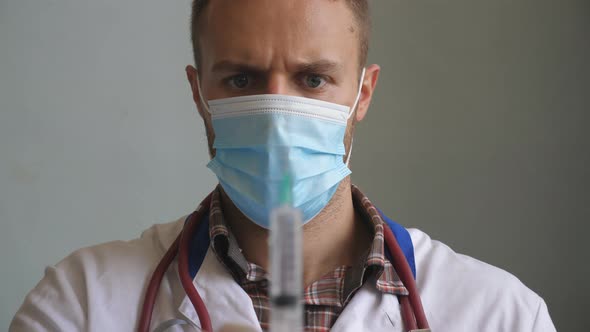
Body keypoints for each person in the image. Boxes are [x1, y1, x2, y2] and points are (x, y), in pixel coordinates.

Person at [10, 0, 556, 331]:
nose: (275, 117)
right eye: (242, 80)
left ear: (362, 94)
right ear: (199, 93)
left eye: (312, 79)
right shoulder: (79, 304)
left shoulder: (503, 315)